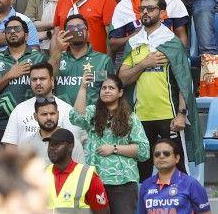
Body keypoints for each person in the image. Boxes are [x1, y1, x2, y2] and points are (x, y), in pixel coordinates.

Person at [117, 0, 202, 176]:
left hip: (168, 117)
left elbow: (184, 82)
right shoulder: (134, 43)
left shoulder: (172, 42)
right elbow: (122, 79)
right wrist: (144, 64)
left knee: (177, 171)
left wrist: (181, 114)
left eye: (150, 9)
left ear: (162, 13)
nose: (145, 12)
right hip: (139, 117)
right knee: (141, 171)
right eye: (142, 9)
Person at [69, 70, 148, 213]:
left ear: (120, 92)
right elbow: (76, 117)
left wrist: (115, 148)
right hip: (94, 180)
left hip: (122, 182)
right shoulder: (93, 112)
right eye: (103, 88)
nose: (106, 91)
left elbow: (143, 150)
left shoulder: (131, 118)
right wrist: (83, 87)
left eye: (111, 88)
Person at [44, 127, 110, 212]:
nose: (52, 148)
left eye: (57, 144)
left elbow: (103, 212)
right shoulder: (42, 175)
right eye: (50, 144)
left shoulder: (88, 176)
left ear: (70, 147)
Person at [138, 138, 211, 213]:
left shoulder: (191, 184)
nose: (161, 156)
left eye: (166, 153)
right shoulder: (146, 185)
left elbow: (205, 212)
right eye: (157, 154)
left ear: (177, 158)